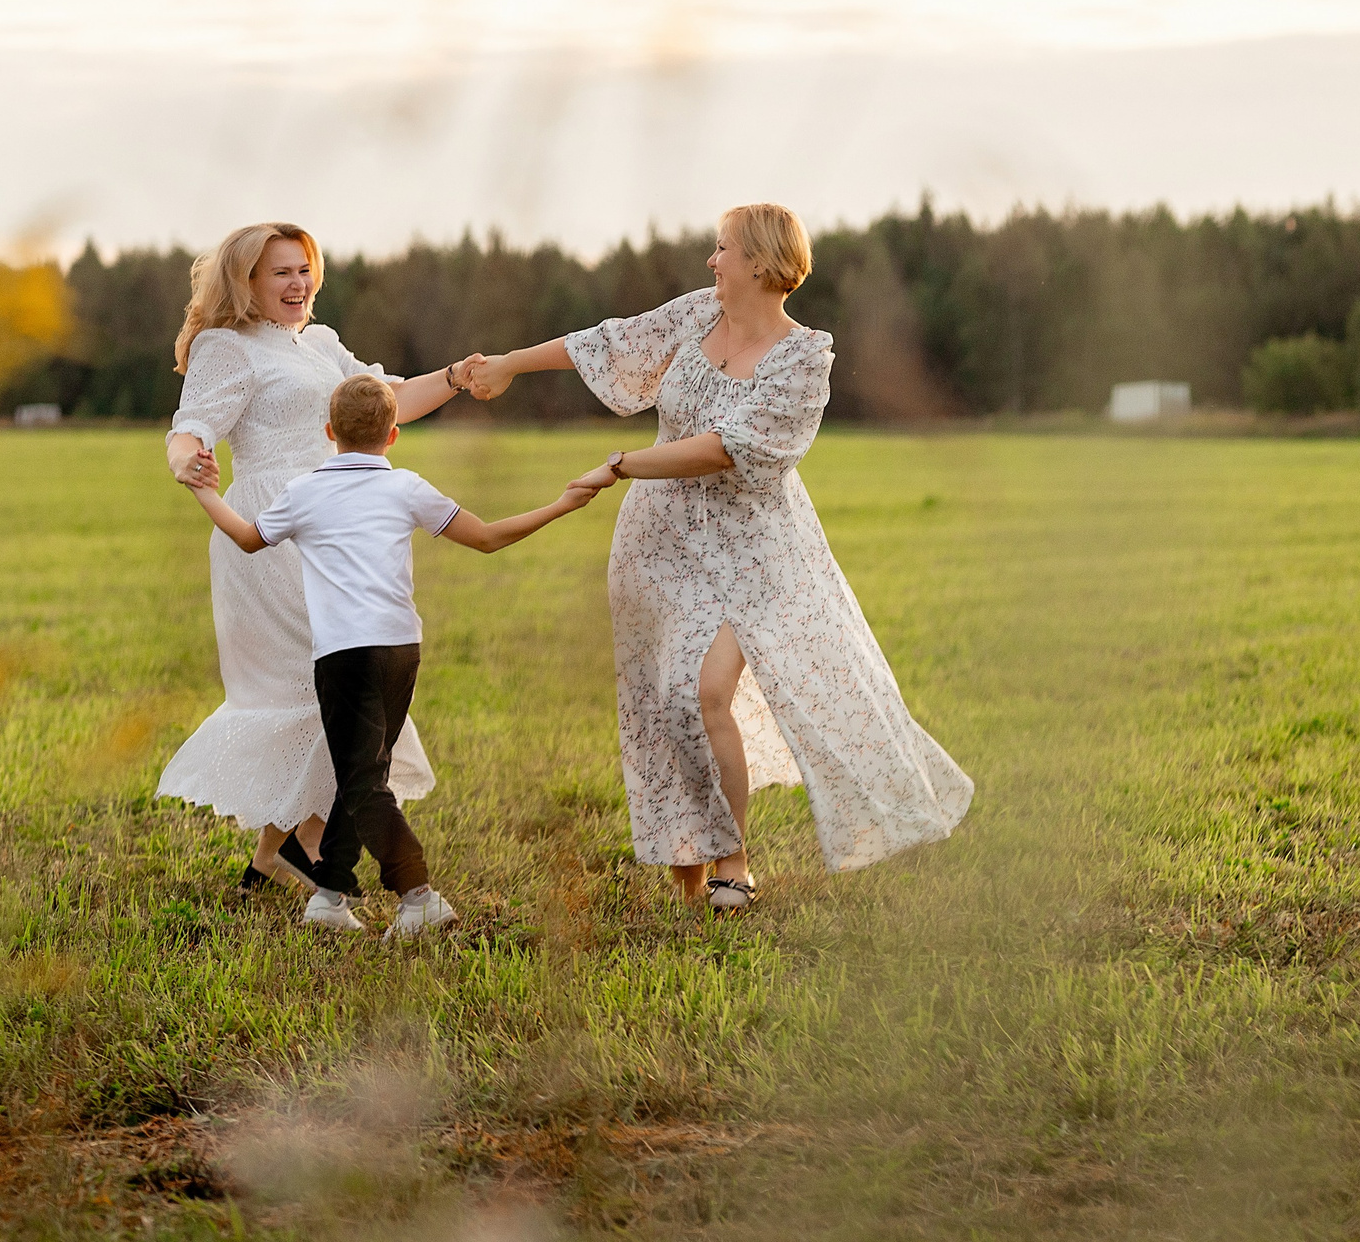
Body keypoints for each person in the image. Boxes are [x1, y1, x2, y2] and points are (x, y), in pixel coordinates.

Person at [465, 203, 972, 909]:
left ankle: (734, 859)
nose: (712, 260)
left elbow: (728, 448)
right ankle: (689, 863)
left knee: (702, 692)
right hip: (660, 543)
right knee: (667, 703)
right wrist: (511, 365)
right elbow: (613, 341)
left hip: (755, 551)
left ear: (761, 262)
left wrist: (622, 463)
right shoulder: (697, 314)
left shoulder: (804, 358)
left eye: (722, 248)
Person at [186, 374, 599, 936]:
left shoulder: (306, 491)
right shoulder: (406, 487)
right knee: (364, 771)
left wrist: (205, 491)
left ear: (329, 432)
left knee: (361, 782)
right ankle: (329, 896)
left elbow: (249, 538)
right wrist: (561, 505)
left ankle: (418, 893)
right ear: (394, 434)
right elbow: (487, 538)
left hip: (344, 657)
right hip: (402, 651)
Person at [157, 222, 482, 893]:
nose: (298, 283)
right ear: (246, 281)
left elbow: (389, 399)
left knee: (334, 682)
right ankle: (300, 849)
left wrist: (455, 377)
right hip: (268, 528)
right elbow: (190, 425)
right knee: (313, 682)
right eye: (280, 272)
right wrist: (190, 462)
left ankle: (277, 854)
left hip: (336, 523)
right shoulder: (227, 345)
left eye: (304, 269)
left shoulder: (323, 343)